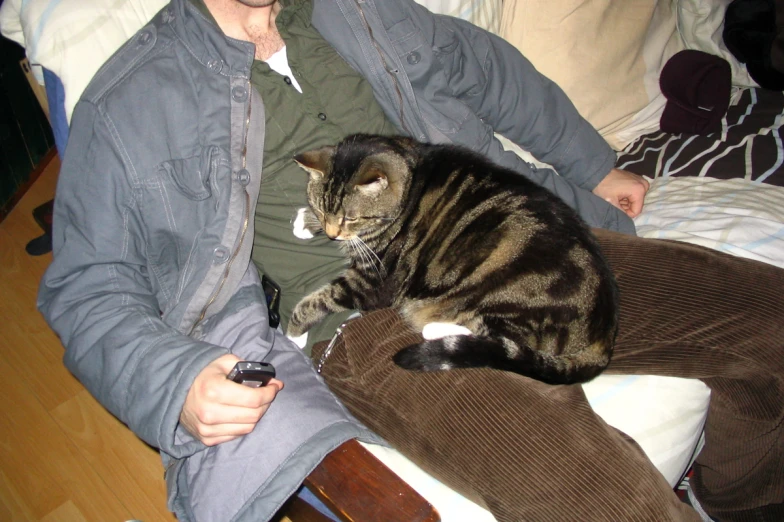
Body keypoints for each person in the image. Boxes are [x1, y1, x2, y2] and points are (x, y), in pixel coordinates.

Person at [36, 0, 783, 521]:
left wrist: (591, 166)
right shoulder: (134, 97)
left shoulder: (360, 7)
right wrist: (173, 382)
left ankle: (742, 501)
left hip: (504, 241)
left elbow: (487, 70)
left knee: (768, 318)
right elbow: (86, 283)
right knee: (596, 496)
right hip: (369, 319)